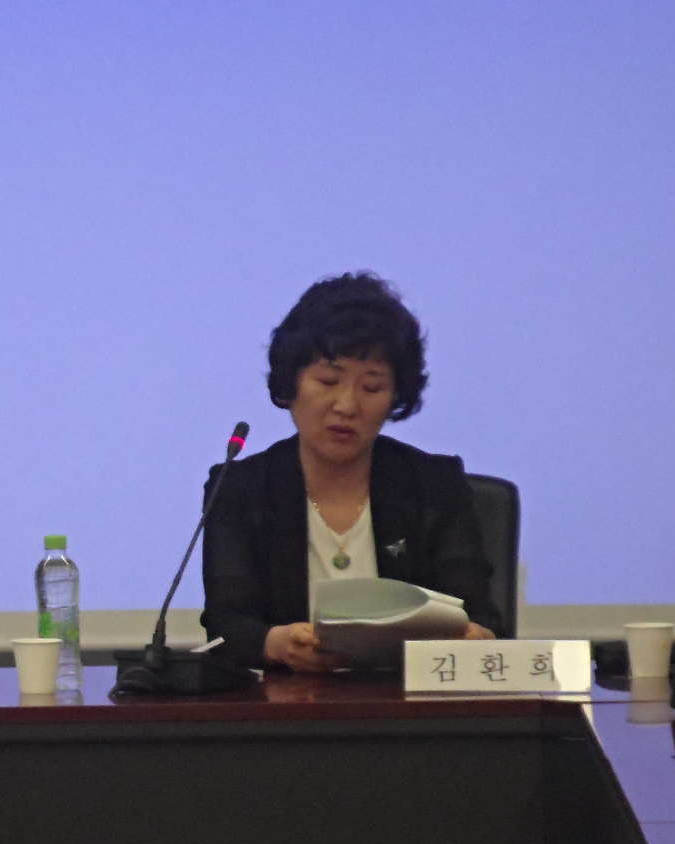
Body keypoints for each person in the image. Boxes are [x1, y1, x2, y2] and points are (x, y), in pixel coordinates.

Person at [201, 273, 503, 672]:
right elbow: (226, 626)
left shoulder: (433, 484)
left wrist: (477, 637)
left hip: (412, 699)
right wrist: (276, 644)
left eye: (372, 388)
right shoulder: (240, 489)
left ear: (395, 397)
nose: (346, 405)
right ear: (291, 384)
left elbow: (482, 617)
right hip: (288, 702)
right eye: (328, 380)